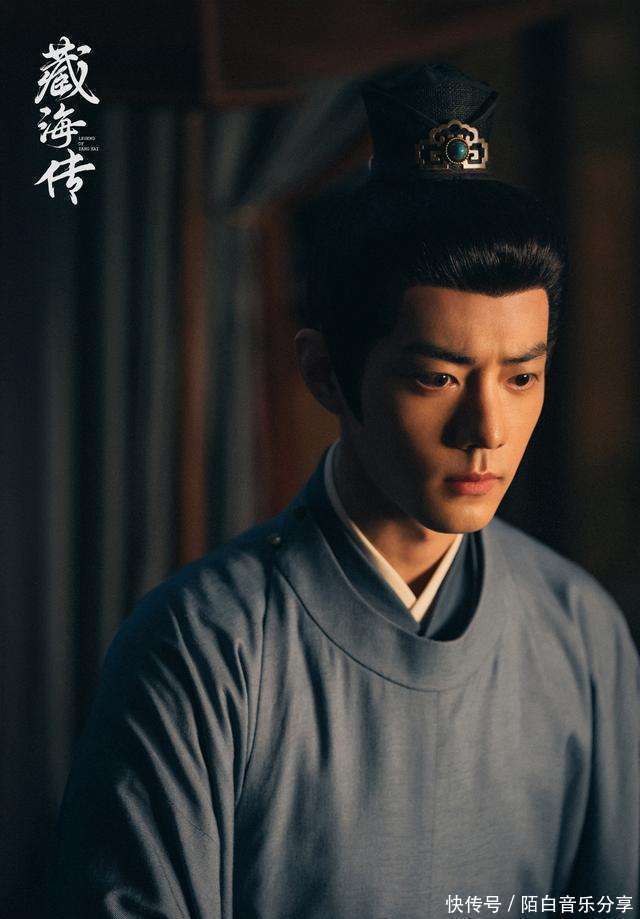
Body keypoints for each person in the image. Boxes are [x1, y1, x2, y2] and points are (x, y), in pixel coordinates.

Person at [51, 64, 640, 918]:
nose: (487, 429)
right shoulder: (202, 649)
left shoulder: (580, 630)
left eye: (522, 377)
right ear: (326, 372)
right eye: (437, 378)